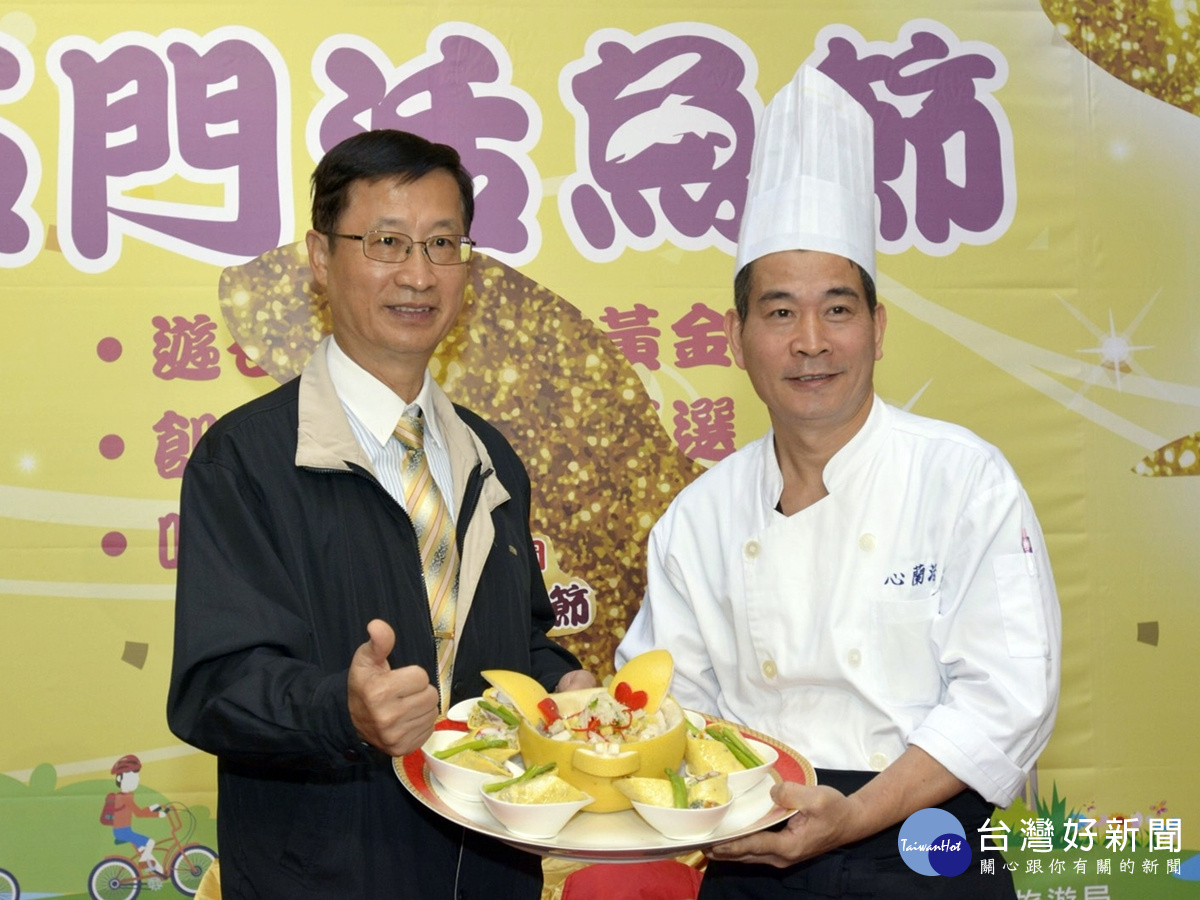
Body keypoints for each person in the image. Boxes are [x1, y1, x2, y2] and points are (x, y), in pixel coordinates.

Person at [616, 66, 1061, 898]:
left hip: (927, 849)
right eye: (780, 311)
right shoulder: (698, 518)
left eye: (839, 308)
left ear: (878, 328)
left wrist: (855, 816)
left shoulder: (964, 479)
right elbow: (668, 704)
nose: (811, 341)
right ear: (737, 338)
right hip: (752, 851)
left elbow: (1007, 701)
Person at [167, 128, 594, 899]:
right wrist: (343, 709)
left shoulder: (491, 457)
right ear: (320, 257)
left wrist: (560, 684)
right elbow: (214, 688)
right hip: (322, 878)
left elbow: (515, 642)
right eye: (387, 242)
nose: (418, 274)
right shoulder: (247, 459)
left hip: (491, 871)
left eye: (443, 244)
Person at [107, 754, 166, 875]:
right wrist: (158, 815)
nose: (137, 779)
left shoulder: (124, 796)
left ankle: (160, 873)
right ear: (119, 779)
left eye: (137, 776)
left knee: (145, 851)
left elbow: (138, 810)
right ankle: (143, 862)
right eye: (132, 777)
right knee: (150, 843)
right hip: (123, 831)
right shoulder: (124, 797)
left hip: (124, 830)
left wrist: (152, 807)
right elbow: (139, 813)